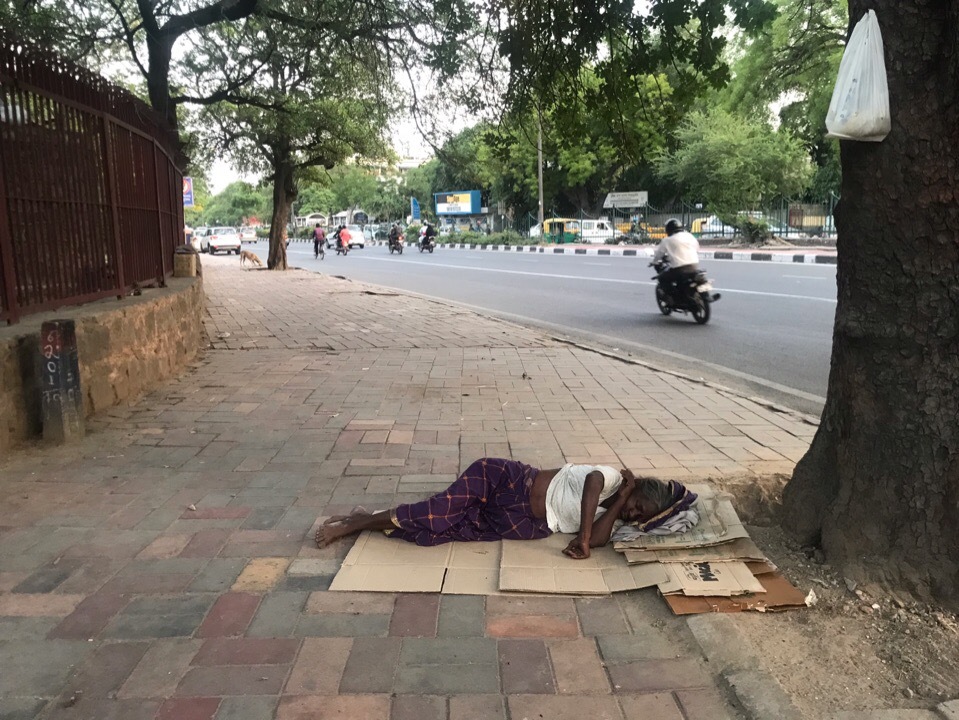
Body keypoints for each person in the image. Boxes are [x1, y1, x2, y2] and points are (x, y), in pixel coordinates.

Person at [315, 458, 696, 559]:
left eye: (639, 518)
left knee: (433, 534)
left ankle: (367, 520)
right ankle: (353, 524)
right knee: (437, 512)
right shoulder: (611, 479)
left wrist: (618, 511)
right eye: (638, 506)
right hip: (505, 481)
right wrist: (622, 491)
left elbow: (595, 541)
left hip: (515, 521)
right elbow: (592, 483)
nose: (633, 515)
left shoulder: (610, 513)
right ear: (637, 488)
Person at [653, 218, 700, 297]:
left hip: (680, 269)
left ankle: (675, 297)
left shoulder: (667, 240)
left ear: (668, 229)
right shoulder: (689, 235)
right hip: (694, 265)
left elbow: (659, 254)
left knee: (662, 278)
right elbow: (697, 248)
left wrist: (654, 262)